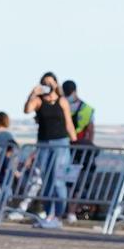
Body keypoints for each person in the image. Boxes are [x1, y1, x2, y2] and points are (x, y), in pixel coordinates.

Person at [22, 72, 74, 228]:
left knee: (58, 181)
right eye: (45, 83)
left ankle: (58, 215)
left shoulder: (62, 101)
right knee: (46, 181)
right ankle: (48, 214)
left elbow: (69, 123)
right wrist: (33, 93)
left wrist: (75, 142)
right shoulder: (38, 101)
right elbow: (27, 110)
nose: (48, 86)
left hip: (61, 143)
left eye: (50, 83)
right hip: (44, 143)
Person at [62, 79, 95, 146]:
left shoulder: (87, 109)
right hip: (64, 144)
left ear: (75, 91)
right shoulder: (59, 106)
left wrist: (89, 145)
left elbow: (90, 130)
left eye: (68, 93)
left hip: (79, 144)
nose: (67, 96)